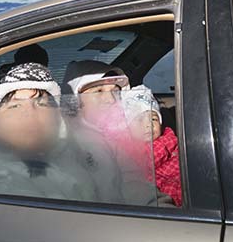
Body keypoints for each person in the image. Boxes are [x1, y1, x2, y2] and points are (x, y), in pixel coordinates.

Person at [0, 62, 125, 203]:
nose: (29, 114)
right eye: (15, 105)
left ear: (58, 119)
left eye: (41, 104)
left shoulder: (73, 154)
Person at [63, 61, 175, 207]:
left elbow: (136, 187)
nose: (110, 99)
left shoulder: (120, 137)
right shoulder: (62, 141)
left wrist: (165, 214)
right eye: (98, 91)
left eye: (115, 92)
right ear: (75, 101)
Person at [121, 85, 183, 206]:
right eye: (139, 120)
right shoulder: (125, 149)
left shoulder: (167, 140)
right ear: (127, 127)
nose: (149, 124)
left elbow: (148, 160)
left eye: (154, 119)